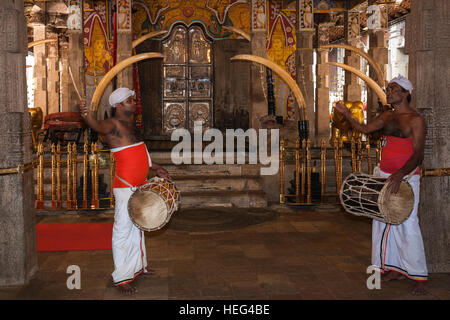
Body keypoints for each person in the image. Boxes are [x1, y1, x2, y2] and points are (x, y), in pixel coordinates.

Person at [334, 74, 428, 295]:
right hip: (384, 175)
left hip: (406, 177)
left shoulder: (416, 120)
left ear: (406, 93)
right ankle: (391, 268)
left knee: (407, 223)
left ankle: (419, 275)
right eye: (388, 88)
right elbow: (365, 129)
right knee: (382, 223)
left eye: (393, 89)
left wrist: (400, 174)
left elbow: (418, 154)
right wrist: (347, 114)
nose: (388, 92)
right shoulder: (387, 116)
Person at [79, 87, 170, 294]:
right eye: (129, 100)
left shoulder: (131, 126)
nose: (134, 102)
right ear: (118, 105)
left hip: (139, 186)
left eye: (133, 99)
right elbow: (96, 125)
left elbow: (140, 153)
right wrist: (85, 114)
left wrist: (156, 167)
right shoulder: (112, 124)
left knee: (138, 228)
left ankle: (139, 267)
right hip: (125, 187)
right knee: (122, 231)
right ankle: (121, 278)